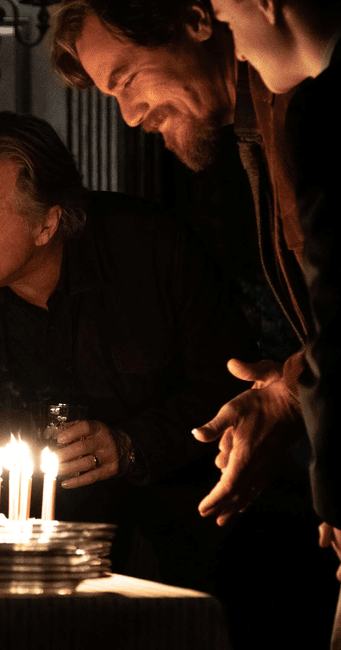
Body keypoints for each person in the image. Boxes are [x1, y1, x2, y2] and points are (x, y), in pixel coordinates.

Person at [0, 112, 253, 576]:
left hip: (172, 531)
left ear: (47, 226)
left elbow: (232, 387)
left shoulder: (156, 251)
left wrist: (130, 446)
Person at [48, 0, 311, 527]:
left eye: (126, 80)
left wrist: (295, 397)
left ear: (196, 21)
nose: (129, 115)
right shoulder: (257, 117)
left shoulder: (304, 109)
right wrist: (293, 388)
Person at [208, 0, 341, 650]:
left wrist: (338, 495)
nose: (234, 46)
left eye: (225, 17)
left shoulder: (317, 114)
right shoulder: (296, 112)